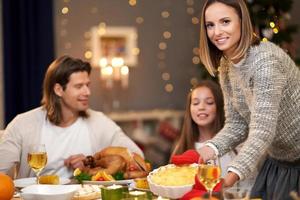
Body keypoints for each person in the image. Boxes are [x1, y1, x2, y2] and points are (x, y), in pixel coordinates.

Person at [197, 0, 300, 199]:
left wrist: (230, 177)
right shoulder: (227, 68)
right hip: (280, 161)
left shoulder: (266, 62)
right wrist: (204, 152)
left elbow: (262, 132)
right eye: (210, 25)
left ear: (242, 22)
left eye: (225, 21)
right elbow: (237, 125)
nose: (216, 32)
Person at [0, 55, 143, 179]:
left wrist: (90, 162)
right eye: (79, 86)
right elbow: (1, 169)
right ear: (58, 90)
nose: (87, 92)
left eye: (87, 85)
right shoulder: (23, 123)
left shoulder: (99, 122)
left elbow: (137, 157)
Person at [172, 80, 236, 177]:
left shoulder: (234, 144)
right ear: (189, 109)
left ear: (218, 107)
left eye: (209, 102)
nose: (201, 107)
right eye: (196, 103)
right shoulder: (181, 146)